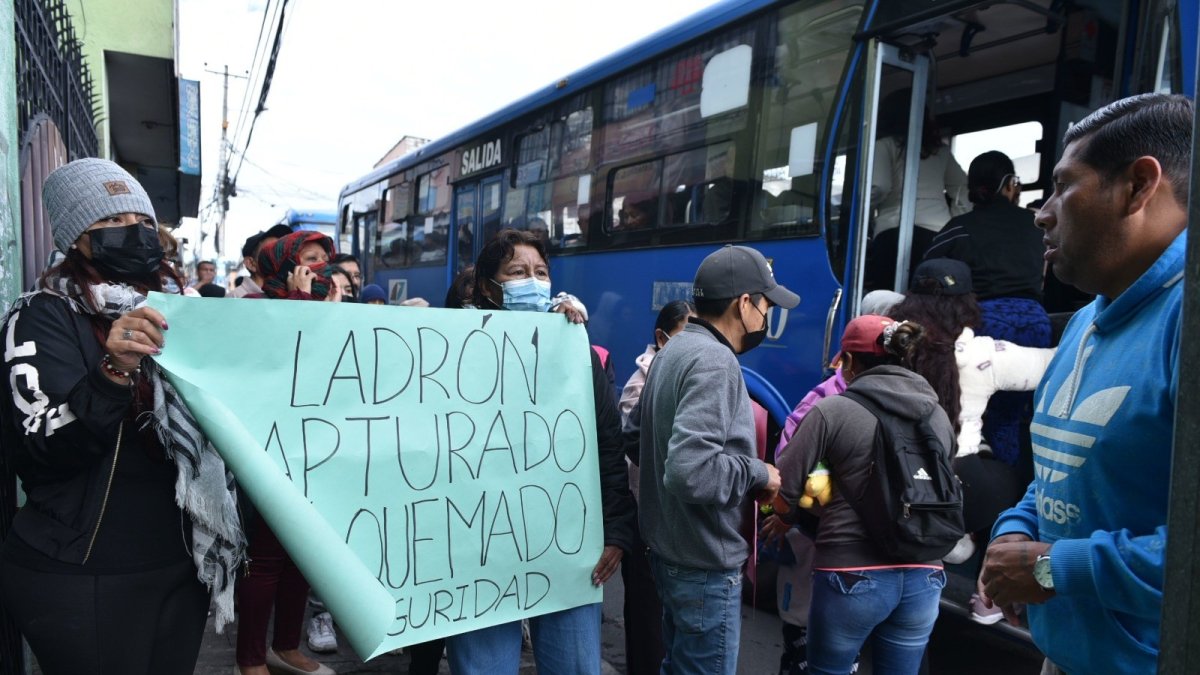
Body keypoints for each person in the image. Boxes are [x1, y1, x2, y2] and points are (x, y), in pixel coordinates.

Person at [0, 158, 244, 674]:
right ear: (77, 236)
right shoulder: (42, 314)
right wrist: (113, 371)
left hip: (182, 565)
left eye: (142, 220)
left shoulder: (185, 311)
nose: (132, 231)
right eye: (110, 221)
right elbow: (41, 449)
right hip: (84, 573)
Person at [979, 93, 1191, 675]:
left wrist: (1048, 569)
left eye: (1063, 186)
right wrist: (1014, 537)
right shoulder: (1085, 321)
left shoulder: (1184, 320)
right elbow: (1059, 471)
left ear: (1138, 186)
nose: (1041, 213)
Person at [445, 229, 636, 674]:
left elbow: (608, 444)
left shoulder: (576, 352)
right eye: (517, 272)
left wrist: (617, 531)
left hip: (565, 548)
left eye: (541, 272)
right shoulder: (451, 353)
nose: (532, 281)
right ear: (487, 287)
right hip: (480, 552)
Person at [639, 244, 796, 674]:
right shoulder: (715, 360)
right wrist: (758, 471)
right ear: (744, 303)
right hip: (702, 568)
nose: (766, 317)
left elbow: (638, 434)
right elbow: (690, 471)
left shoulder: (674, 347)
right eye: (766, 305)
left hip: (672, 557)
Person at [778, 315, 954, 675]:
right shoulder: (937, 415)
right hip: (926, 575)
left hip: (851, 575)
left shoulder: (832, 410)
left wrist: (779, 514)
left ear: (848, 361)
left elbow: (785, 489)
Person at [890, 259, 1054, 624]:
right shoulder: (985, 354)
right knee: (1010, 482)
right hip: (958, 488)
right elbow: (1053, 365)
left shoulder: (887, 339)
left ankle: (948, 542)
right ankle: (988, 596)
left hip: (893, 478)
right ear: (967, 305)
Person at [767, 288, 902, 675]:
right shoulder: (918, 399)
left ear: (847, 359)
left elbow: (789, 473)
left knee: (810, 646)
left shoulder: (825, 403)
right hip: (886, 555)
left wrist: (783, 515)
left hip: (824, 545)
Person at [237, 229, 338, 675]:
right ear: (284, 266)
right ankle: (251, 658)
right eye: (309, 259)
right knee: (267, 560)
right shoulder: (255, 309)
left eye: (323, 260)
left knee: (303, 555)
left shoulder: (330, 307)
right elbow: (285, 363)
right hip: (272, 450)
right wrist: (304, 308)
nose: (319, 269)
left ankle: (286, 646)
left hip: (319, 451)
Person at [925, 150, 1051, 467]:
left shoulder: (958, 227)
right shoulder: (1036, 225)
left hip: (983, 324)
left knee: (969, 416)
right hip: (1035, 323)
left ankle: (973, 486)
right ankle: (1010, 485)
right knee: (1011, 416)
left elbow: (928, 270)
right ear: (1009, 184)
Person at [615, 299, 695, 675]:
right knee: (647, 619)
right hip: (645, 518)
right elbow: (635, 446)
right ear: (662, 338)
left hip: (671, 521)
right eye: (685, 334)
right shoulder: (641, 384)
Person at [866, 91, 968, 291]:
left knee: (891, 297)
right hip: (938, 232)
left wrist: (863, 214)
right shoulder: (940, 151)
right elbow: (962, 189)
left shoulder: (884, 146)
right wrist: (954, 222)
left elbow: (879, 186)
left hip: (893, 229)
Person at [232, 224, 292, 298]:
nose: (281, 256)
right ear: (250, 263)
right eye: (272, 251)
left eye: (282, 251)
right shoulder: (235, 298)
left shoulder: (285, 293)